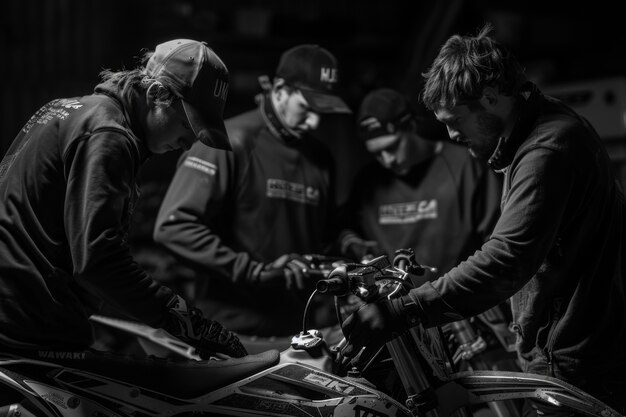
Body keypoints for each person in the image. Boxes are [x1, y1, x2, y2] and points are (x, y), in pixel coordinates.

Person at [340, 24, 626, 415]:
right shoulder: (540, 129)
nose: (450, 134)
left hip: (575, 358)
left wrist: (404, 310)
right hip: (575, 348)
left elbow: (507, 257)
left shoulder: (546, 149)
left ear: (490, 98)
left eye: (454, 119)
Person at [0, 39, 247, 361]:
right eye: (189, 125)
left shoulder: (70, 109)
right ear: (157, 94)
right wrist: (187, 321)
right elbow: (99, 261)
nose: (188, 144)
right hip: (27, 326)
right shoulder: (110, 136)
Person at [153, 44, 351, 337]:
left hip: (298, 327)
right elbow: (174, 227)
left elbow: (323, 235)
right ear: (280, 89)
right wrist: (254, 271)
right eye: (307, 108)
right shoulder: (229, 143)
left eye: (324, 111)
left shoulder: (321, 158)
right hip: (233, 328)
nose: (315, 122)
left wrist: (350, 244)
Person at [338, 88, 502, 284]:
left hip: (456, 304)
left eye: (392, 147)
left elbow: (497, 243)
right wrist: (353, 243)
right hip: (393, 307)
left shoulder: (466, 166)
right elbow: (343, 230)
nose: (387, 160)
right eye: (377, 153)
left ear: (411, 127)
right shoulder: (368, 181)